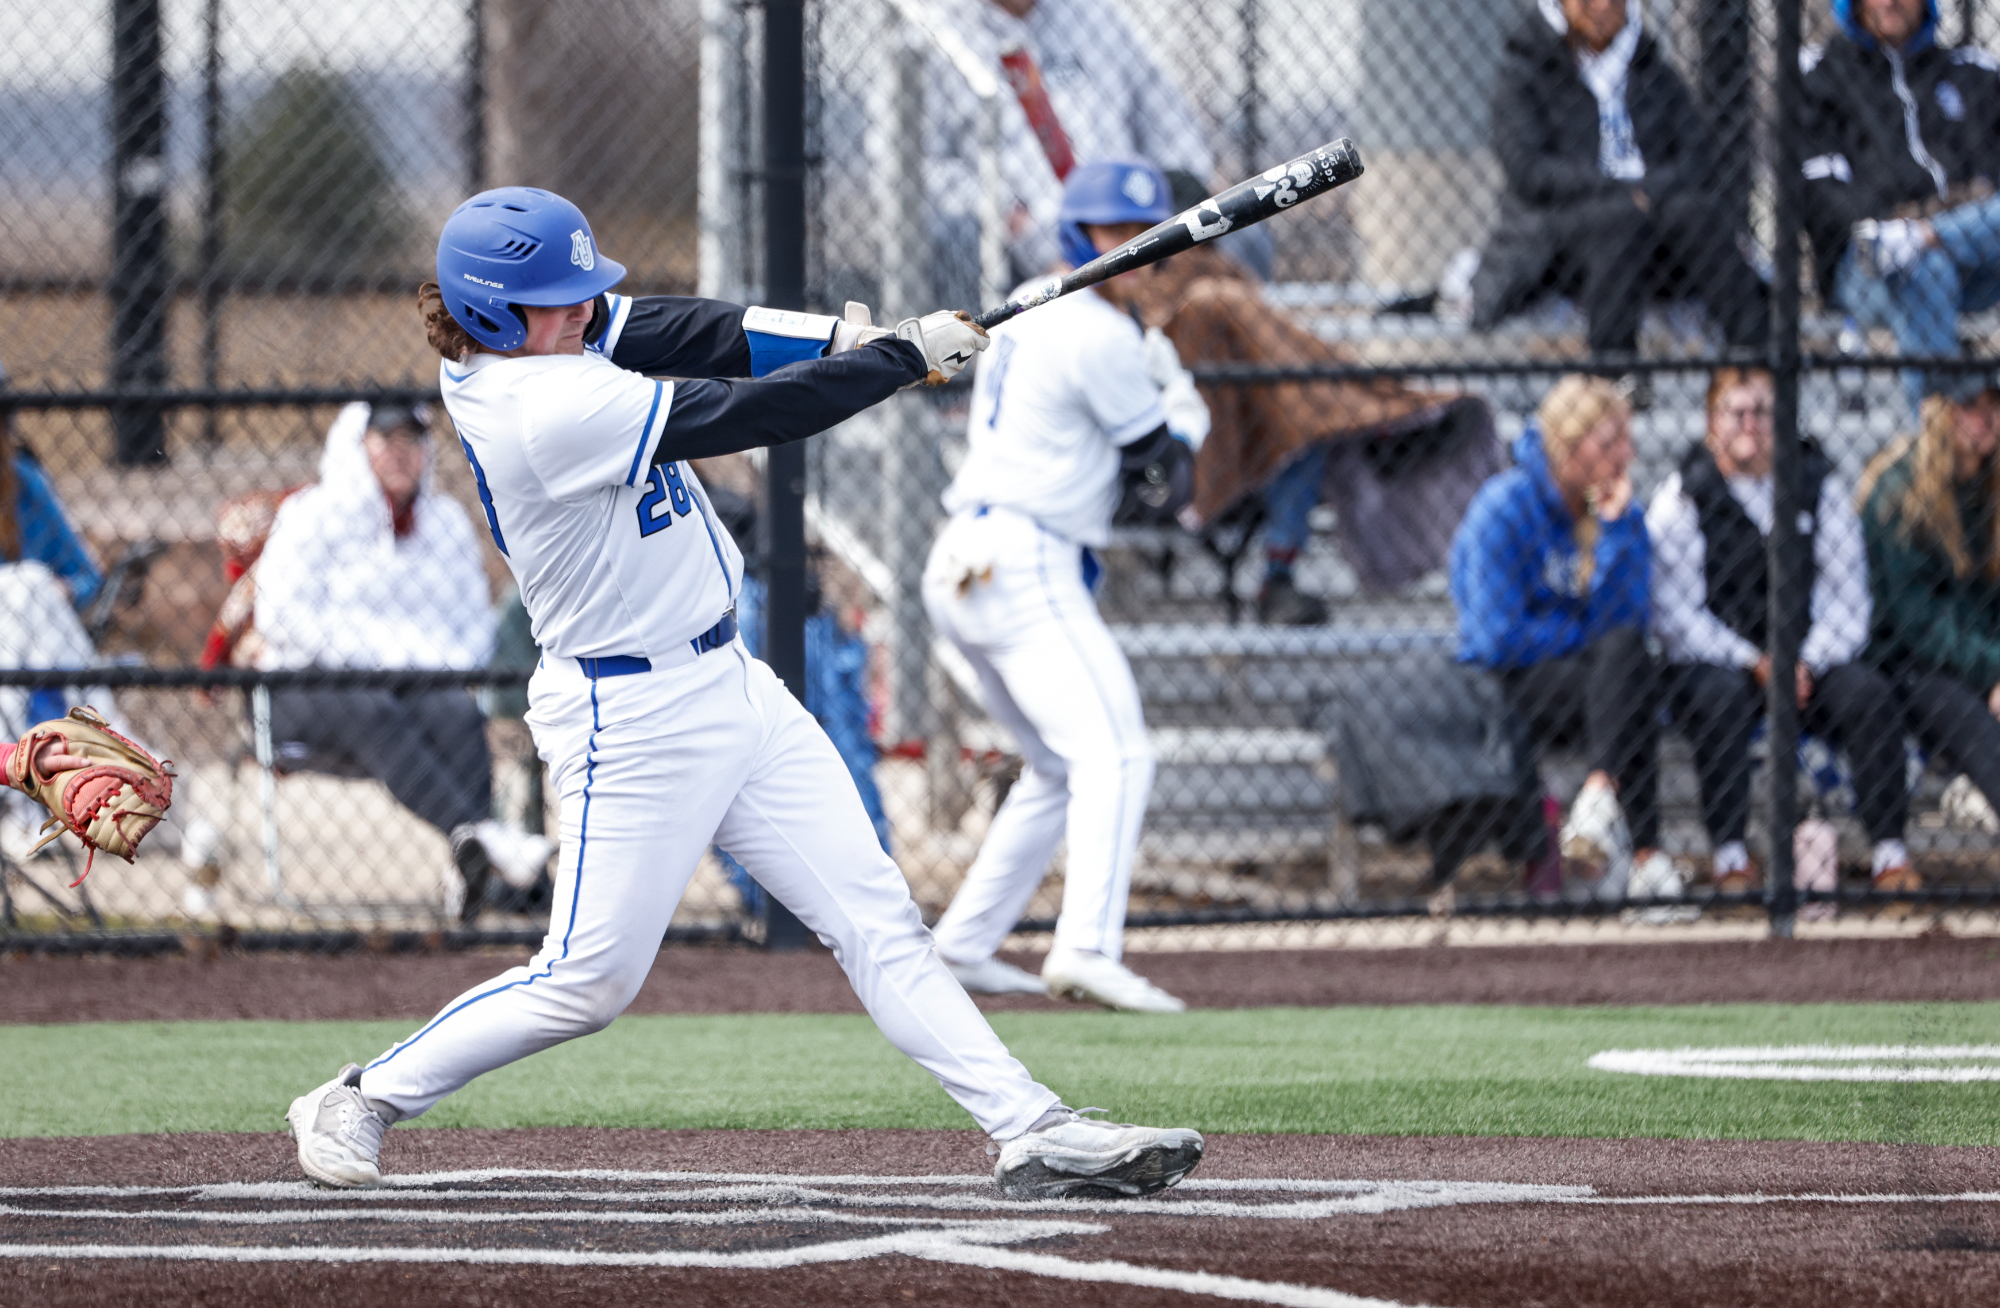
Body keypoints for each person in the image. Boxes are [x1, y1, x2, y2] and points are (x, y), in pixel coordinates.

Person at [284, 185, 1202, 1200]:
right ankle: (362, 1094)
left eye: (584, 290)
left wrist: (845, 335)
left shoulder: (553, 341)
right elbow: (741, 410)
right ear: (495, 314)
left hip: (728, 682)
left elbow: (686, 327)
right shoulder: (534, 406)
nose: (585, 309)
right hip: (626, 717)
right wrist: (893, 362)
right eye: (559, 297)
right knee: (588, 982)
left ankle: (1029, 1127)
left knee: (875, 917)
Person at [922, 160, 1201, 1012]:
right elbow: (1167, 476)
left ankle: (964, 946)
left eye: (1148, 240)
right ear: (1084, 238)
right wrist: (1183, 396)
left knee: (1053, 766)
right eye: (1123, 236)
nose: (1145, 256)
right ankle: (1085, 948)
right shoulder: (1101, 336)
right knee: (1118, 753)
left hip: (967, 559)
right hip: (1022, 559)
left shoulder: (1037, 297)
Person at [253, 400, 550, 920]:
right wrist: (374, 656)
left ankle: (469, 862)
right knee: (373, 706)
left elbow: (472, 626)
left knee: (457, 715)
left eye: (412, 441)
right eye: (385, 441)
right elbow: (277, 615)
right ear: (357, 446)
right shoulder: (312, 513)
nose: (400, 454)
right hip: (302, 687)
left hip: (413, 685)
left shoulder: (446, 522)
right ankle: (489, 840)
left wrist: (421, 665)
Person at [1648, 368, 1913, 899]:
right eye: (1736, 413)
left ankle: (1890, 854)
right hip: (1723, 662)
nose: (1750, 425)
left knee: (1867, 695)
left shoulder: (1818, 485)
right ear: (1710, 424)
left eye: (1763, 412)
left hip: (1806, 665)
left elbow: (1848, 600)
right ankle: (1730, 857)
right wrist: (1752, 660)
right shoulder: (1683, 495)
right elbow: (1676, 615)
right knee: (1717, 698)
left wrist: (1805, 662)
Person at [1450, 374, 1678, 903]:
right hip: (1513, 684)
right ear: (1568, 446)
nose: (1627, 454)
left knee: (1628, 666)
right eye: (1610, 442)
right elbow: (1494, 636)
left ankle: (1599, 800)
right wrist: (1578, 635)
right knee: (1629, 686)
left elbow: (1627, 622)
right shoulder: (1504, 506)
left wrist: (1618, 534)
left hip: (1595, 681)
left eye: (1627, 439)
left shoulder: (1619, 512)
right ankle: (1648, 860)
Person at [1471, 0, 1768, 364]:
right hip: (1565, 234)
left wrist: (1647, 194)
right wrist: (1625, 193)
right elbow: (1530, 171)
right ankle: (1616, 379)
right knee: (1620, 220)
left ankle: (1757, 361)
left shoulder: (1653, 72)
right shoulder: (1525, 73)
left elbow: (1697, 160)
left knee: (1698, 213)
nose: (1602, 7)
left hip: (1656, 225)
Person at [1801, 0, 2000, 418]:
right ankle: (1937, 446)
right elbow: (1821, 191)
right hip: (1871, 262)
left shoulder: (1974, 71)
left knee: (1926, 250)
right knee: (1923, 268)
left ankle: (1931, 236)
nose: (1890, 1)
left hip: (1980, 252)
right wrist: (1883, 226)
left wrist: (1930, 229)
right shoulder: (1820, 73)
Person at [1856, 373, 2000, 899]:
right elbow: (1921, 625)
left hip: (1977, 655)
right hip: (1902, 662)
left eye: (1992, 406)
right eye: (1969, 407)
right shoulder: (1901, 491)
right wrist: (1994, 674)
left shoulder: (1991, 485)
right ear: (1939, 412)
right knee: (1967, 714)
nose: (1984, 420)